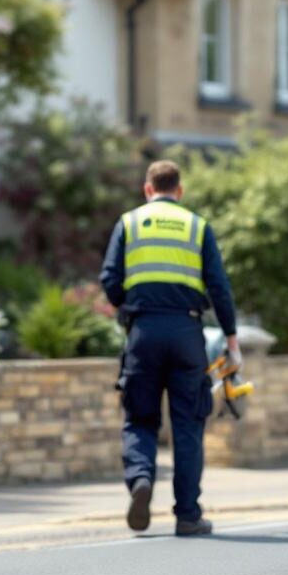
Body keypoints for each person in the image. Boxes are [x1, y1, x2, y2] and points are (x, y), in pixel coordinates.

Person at [100, 160, 240, 536]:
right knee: (189, 426)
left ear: (148, 189)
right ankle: (188, 515)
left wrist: (128, 309)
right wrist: (231, 338)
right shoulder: (198, 226)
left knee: (140, 419)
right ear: (179, 191)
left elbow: (109, 278)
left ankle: (142, 479)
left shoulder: (129, 223)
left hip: (143, 331)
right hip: (187, 333)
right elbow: (220, 287)